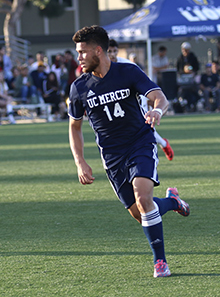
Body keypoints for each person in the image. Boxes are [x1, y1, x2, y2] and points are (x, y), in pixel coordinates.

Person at [69, 25, 190, 278]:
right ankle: (173, 201)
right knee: (141, 212)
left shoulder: (128, 72)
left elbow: (160, 96)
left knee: (144, 199)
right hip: (112, 157)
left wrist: (157, 110)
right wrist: (80, 162)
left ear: (98, 51)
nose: (78, 57)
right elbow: (75, 127)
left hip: (139, 143)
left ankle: (160, 263)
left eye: (82, 52)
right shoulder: (79, 87)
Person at [107, 38, 174, 161]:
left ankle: (153, 154)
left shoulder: (128, 65)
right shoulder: (103, 68)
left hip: (136, 98)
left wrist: (146, 99)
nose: (112, 54)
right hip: (117, 101)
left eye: (114, 51)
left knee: (144, 125)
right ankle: (163, 143)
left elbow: (141, 82)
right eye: (109, 51)